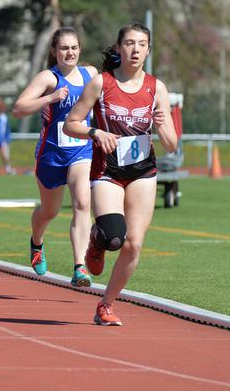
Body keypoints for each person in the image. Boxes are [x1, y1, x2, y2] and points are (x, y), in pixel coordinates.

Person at [64, 23, 177, 326]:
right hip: (107, 169)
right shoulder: (101, 84)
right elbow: (70, 124)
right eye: (129, 43)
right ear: (118, 48)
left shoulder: (157, 88)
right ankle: (98, 240)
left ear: (148, 50)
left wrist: (161, 124)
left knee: (134, 243)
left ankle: (106, 305)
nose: (135, 49)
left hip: (142, 170)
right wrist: (95, 132)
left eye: (142, 44)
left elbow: (171, 144)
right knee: (116, 236)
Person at [13, 27, 96, 287]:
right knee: (50, 211)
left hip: (81, 150)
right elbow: (18, 108)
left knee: (83, 203)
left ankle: (80, 266)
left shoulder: (90, 74)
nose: (69, 52)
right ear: (54, 51)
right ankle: (36, 242)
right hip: (51, 153)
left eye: (74, 47)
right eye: (64, 48)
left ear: (80, 49)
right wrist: (50, 97)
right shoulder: (49, 78)